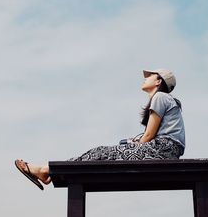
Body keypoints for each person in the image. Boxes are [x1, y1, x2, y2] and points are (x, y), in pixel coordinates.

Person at [15, 69, 185, 190]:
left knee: (101, 152)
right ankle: (47, 171)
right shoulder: (164, 99)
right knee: (103, 153)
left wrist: (136, 143)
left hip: (163, 150)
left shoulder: (160, 97)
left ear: (159, 81)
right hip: (165, 149)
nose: (145, 78)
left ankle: (45, 170)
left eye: (150, 76)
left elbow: (148, 135)